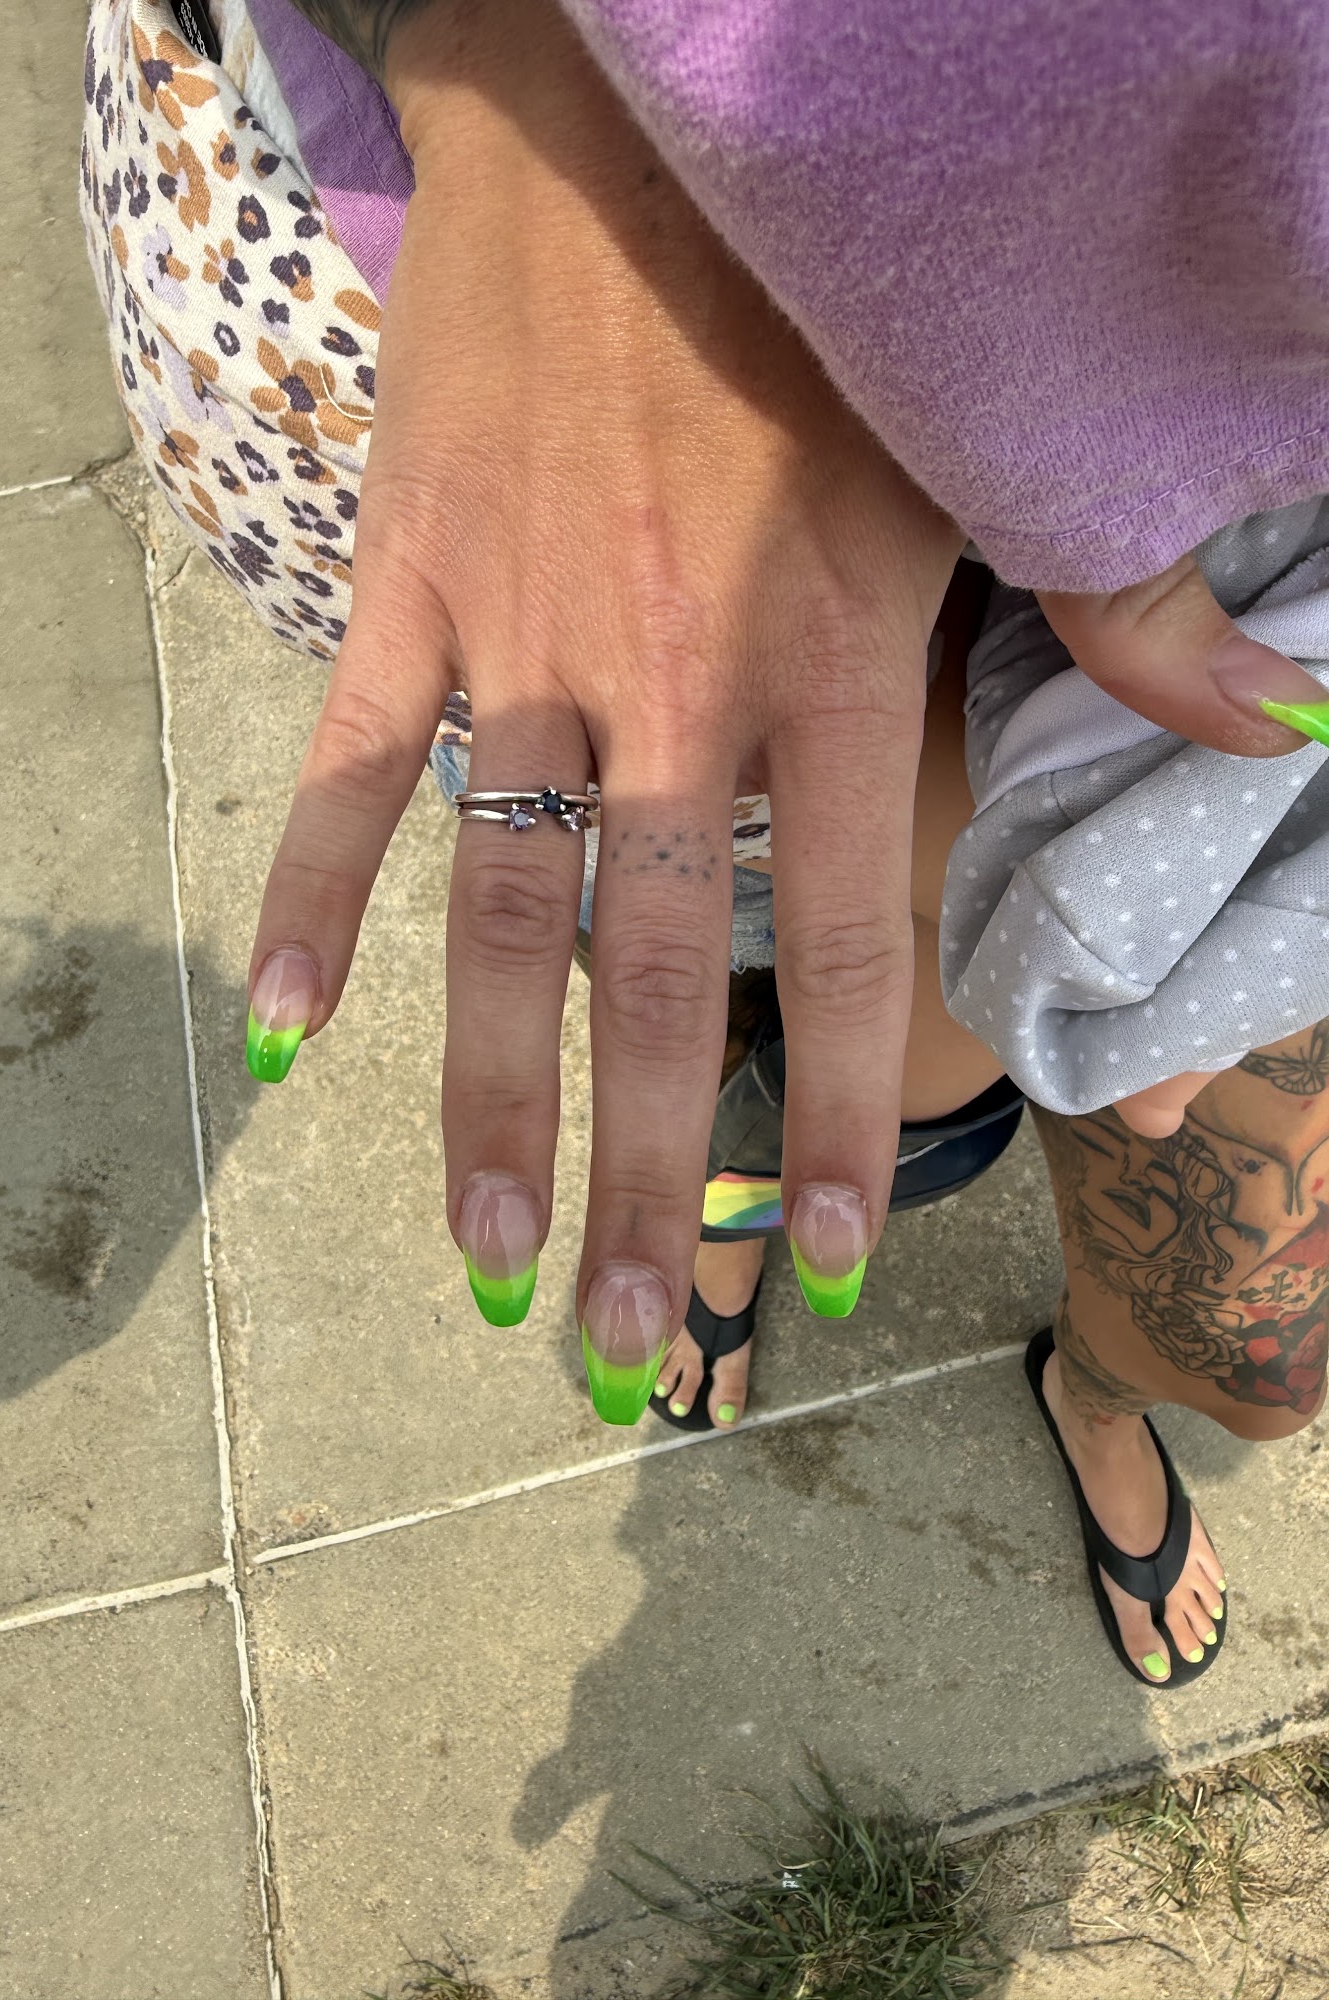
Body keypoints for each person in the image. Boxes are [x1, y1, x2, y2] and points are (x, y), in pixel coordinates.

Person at [81, 0, 1329, 1686]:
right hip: (479, 333)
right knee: (688, 938)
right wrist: (503, 61)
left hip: (1197, 471)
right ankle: (739, 1173)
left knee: (1242, 1329)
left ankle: (1085, 1391)